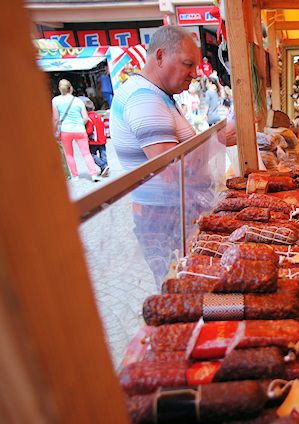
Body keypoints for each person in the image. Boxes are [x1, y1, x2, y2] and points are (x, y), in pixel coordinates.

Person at [110, 25, 203, 285]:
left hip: (172, 216)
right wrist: (217, 139)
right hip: (164, 220)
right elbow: (170, 169)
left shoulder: (157, 95)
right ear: (160, 56)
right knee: (179, 291)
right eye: (188, 64)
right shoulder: (143, 99)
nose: (194, 74)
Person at [52, 79, 102, 182]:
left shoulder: (55, 101)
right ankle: (93, 174)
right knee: (86, 153)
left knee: (69, 154)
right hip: (79, 129)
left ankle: (75, 176)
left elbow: (56, 118)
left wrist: (54, 130)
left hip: (65, 130)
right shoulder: (78, 101)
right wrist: (80, 125)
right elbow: (85, 117)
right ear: (71, 88)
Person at [84, 100, 109, 177]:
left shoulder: (89, 118)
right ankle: (105, 168)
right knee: (103, 154)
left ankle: (103, 166)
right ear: (94, 107)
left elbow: (89, 130)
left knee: (92, 155)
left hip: (93, 140)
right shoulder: (99, 117)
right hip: (102, 139)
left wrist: (85, 134)